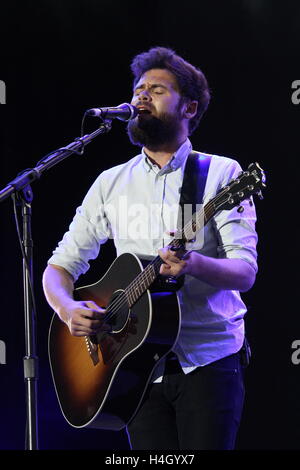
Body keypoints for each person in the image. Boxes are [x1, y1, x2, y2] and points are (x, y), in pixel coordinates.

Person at [42, 46, 258, 450]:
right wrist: (67, 309)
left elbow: (245, 272)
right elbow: (60, 267)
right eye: (139, 89)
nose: (141, 96)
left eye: (157, 90)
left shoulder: (222, 174)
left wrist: (193, 264)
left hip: (207, 362)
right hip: (132, 366)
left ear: (189, 108)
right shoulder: (111, 182)